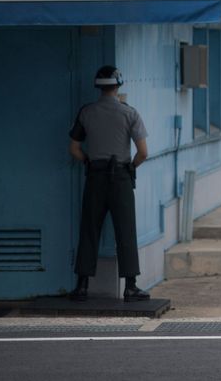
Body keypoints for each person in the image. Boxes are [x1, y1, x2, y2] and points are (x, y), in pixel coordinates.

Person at [68, 65, 150, 302]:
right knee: (125, 230)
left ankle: (82, 285)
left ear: (98, 87)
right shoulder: (130, 113)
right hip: (121, 177)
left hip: (95, 175)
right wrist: (130, 167)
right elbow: (143, 152)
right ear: (118, 85)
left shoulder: (86, 112)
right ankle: (130, 286)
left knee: (89, 229)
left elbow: (74, 148)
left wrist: (89, 162)